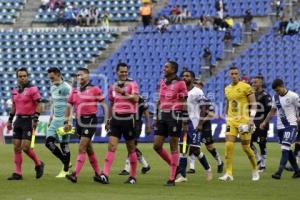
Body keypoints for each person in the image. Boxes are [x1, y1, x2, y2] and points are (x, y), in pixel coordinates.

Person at [99, 63, 140, 184]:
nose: (124, 74)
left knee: (131, 148)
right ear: (117, 72)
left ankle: (133, 176)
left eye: (126, 71)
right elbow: (112, 104)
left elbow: (136, 99)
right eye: (122, 72)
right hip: (116, 119)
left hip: (129, 119)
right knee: (111, 146)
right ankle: (105, 174)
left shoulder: (132, 84)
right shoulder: (112, 87)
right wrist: (108, 120)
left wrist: (123, 92)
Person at [65, 67, 107, 183]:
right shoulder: (74, 91)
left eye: (82, 75)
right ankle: (98, 174)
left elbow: (103, 104)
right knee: (89, 149)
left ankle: (74, 174)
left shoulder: (95, 89)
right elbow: (68, 106)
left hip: (90, 120)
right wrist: (66, 121)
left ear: (88, 76)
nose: (79, 77)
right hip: (79, 121)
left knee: (82, 147)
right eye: (78, 75)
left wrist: (107, 120)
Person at [219, 66, 259, 181]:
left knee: (246, 147)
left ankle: (255, 169)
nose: (234, 75)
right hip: (231, 120)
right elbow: (229, 102)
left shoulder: (246, 87)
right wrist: (225, 114)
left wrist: (251, 119)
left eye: (236, 73)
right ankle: (229, 173)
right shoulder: (227, 89)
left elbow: (254, 103)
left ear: (239, 75)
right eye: (232, 73)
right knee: (228, 145)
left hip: (244, 121)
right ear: (229, 75)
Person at [152, 61, 188, 186]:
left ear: (173, 70)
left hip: (175, 115)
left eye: (166, 67)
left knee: (173, 146)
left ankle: (172, 178)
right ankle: (176, 167)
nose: (164, 68)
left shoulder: (180, 83)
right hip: (162, 114)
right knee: (157, 146)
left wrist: (184, 120)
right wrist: (156, 117)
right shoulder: (162, 82)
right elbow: (159, 100)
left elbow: (184, 102)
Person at [7, 68, 44, 180]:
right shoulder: (15, 90)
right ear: (17, 77)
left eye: (24, 76)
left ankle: (38, 164)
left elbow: (39, 105)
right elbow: (14, 106)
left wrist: (35, 119)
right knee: (16, 147)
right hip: (18, 120)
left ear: (27, 76)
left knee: (25, 147)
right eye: (20, 76)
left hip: (28, 120)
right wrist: (10, 120)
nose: (22, 78)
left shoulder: (33, 89)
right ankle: (18, 173)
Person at [175, 71, 213, 183]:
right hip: (183, 123)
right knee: (182, 149)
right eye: (183, 76)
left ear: (192, 78)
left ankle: (208, 169)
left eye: (187, 76)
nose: (185, 77)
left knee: (195, 150)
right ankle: (183, 175)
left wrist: (201, 124)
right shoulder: (180, 91)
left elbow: (203, 108)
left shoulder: (197, 91)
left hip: (194, 123)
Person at [260, 79, 300, 179]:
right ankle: (297, 171)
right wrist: (265, 122)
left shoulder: (293, 96)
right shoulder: (275, 97)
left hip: (291, 125)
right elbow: (272, 111)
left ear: (283, 85)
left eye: (278, 90)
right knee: (288, 149)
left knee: (285, 148)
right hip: (280, 127)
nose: (277, 92)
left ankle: (279, 172)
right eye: (275, 91)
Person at [187, 79, 224, 174]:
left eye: (197, 84)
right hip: (194, 125)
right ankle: (192, 167)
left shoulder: (206, 101)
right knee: (192, 145)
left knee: (210, 147)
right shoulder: (190, 100)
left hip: (205, 126)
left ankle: (219, 162)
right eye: (194, 83)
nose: (195, 85)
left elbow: (212, 115)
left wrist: (201, 123)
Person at [46, 67, 72, 178]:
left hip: (64, 120)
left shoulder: (66, 88)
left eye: (52, 77)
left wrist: (68, 121)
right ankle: (66, 162)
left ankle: (65, 170)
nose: (51, 80)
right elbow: (54, 103)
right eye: (50, 78)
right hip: (55, 120)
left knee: (64, 145)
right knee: (49, 143)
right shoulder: (52, 88)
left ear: (58, 75)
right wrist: (51, 117)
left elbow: (70, 104)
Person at [119, 95, 151, 175]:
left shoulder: (139, 98)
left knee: (132, 145)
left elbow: (146, 111)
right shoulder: (124, 96)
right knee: (132, 146)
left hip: (136, 124)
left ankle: (127, 169)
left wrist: (148, 125)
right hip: (127, 122)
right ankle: (145, 165)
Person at [250, 76, 272, 172]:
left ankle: (263, 164)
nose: (254, 84)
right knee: (248, 142)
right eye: (253, 82)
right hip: (252, 121)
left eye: (256, 82)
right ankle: (258, 158)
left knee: (262, 143)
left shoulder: (266, 95)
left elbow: (269, 109)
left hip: (261, 121)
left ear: (261, 83)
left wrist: (265, 122)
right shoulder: (251, 94)